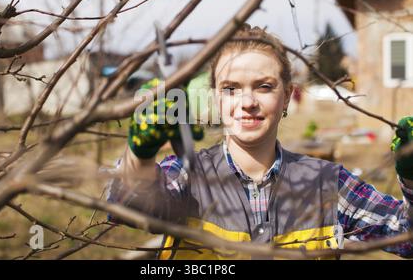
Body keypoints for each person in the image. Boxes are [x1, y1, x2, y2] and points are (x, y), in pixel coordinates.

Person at [106, 24, 413, 260]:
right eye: (231, 88)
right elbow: (126, 204)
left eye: (264, 86)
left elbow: (406, 235)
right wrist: (140, 154)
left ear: (287, 96)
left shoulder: (329, 184)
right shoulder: (185, 174)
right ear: (215, 97)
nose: (247, 101)